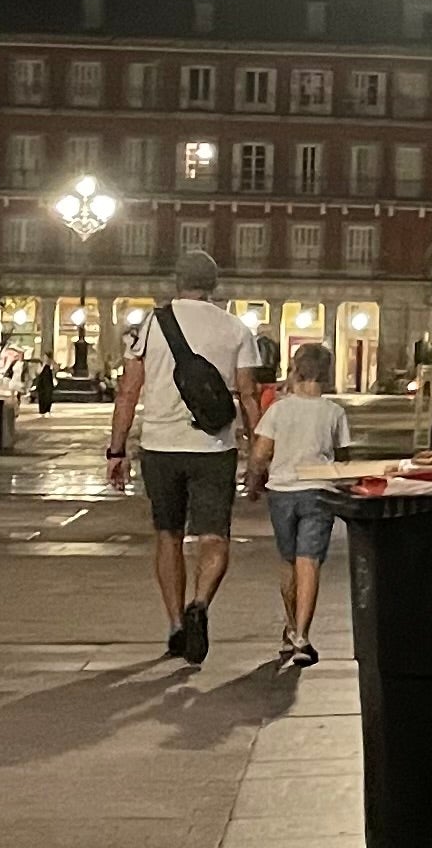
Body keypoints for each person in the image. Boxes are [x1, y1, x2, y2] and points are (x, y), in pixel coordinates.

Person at [104, 250, 260, 666]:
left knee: (168, 535)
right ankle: (200, 604)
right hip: (214, 448)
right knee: (214, 537)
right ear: (214, 284)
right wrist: (259, 453)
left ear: (176, 281)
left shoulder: (152, 326)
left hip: (160, 446)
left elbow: (128, 393)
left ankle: (175, 625)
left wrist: (117, 449)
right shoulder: (235, 329)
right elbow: (247, 396)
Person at [245, 343, 350, 669]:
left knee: (289, 562)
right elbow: (343, 458)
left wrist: (252, 482)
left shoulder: (278, 410)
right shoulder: (334, 413)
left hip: (282, 492)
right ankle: (301, 635)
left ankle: (292, 628)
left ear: (296, 370)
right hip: (318, 491)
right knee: (310, 564)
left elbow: (260, 454)